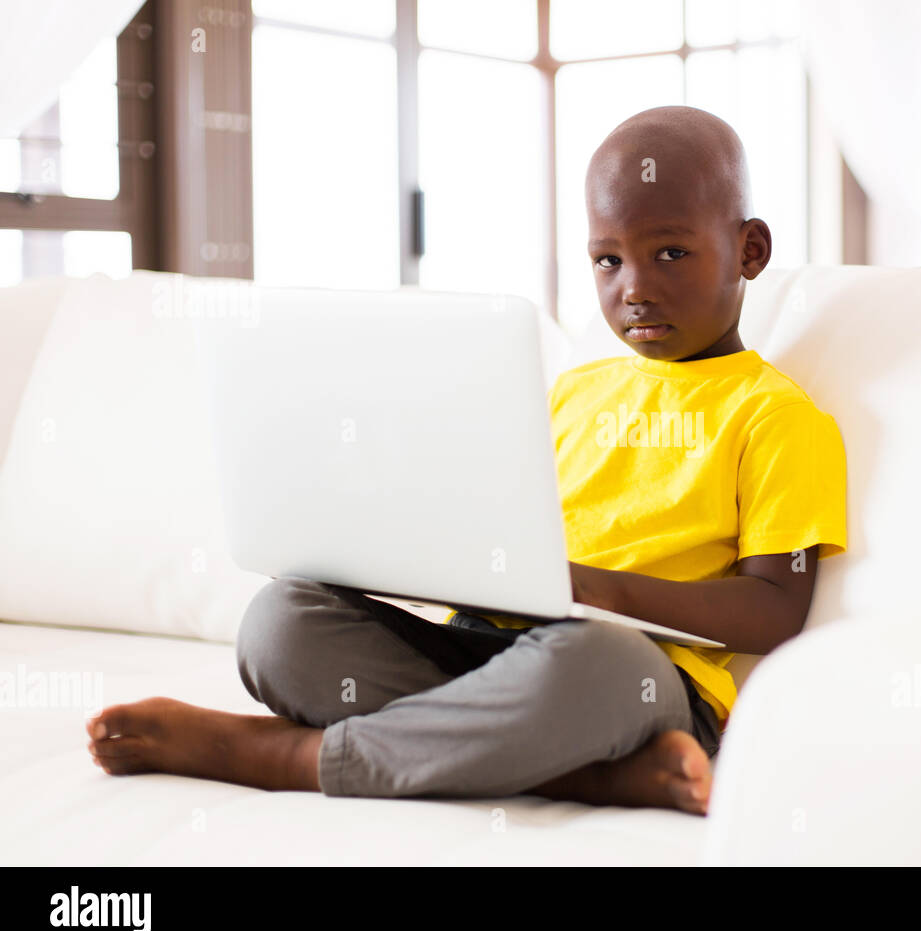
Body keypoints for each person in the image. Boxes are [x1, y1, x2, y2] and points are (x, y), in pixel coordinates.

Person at [85, 105, 848, 816]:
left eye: (671, 253)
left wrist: (597, 590)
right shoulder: (573, 390)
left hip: (630, 674)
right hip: (484, 651)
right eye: (607, 261)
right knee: (280, 624)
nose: (636, 288)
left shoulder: (774, 415)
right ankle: (593, 776)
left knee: (598, 665)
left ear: (749, 250)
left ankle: (292, 756)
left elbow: (775, 612)